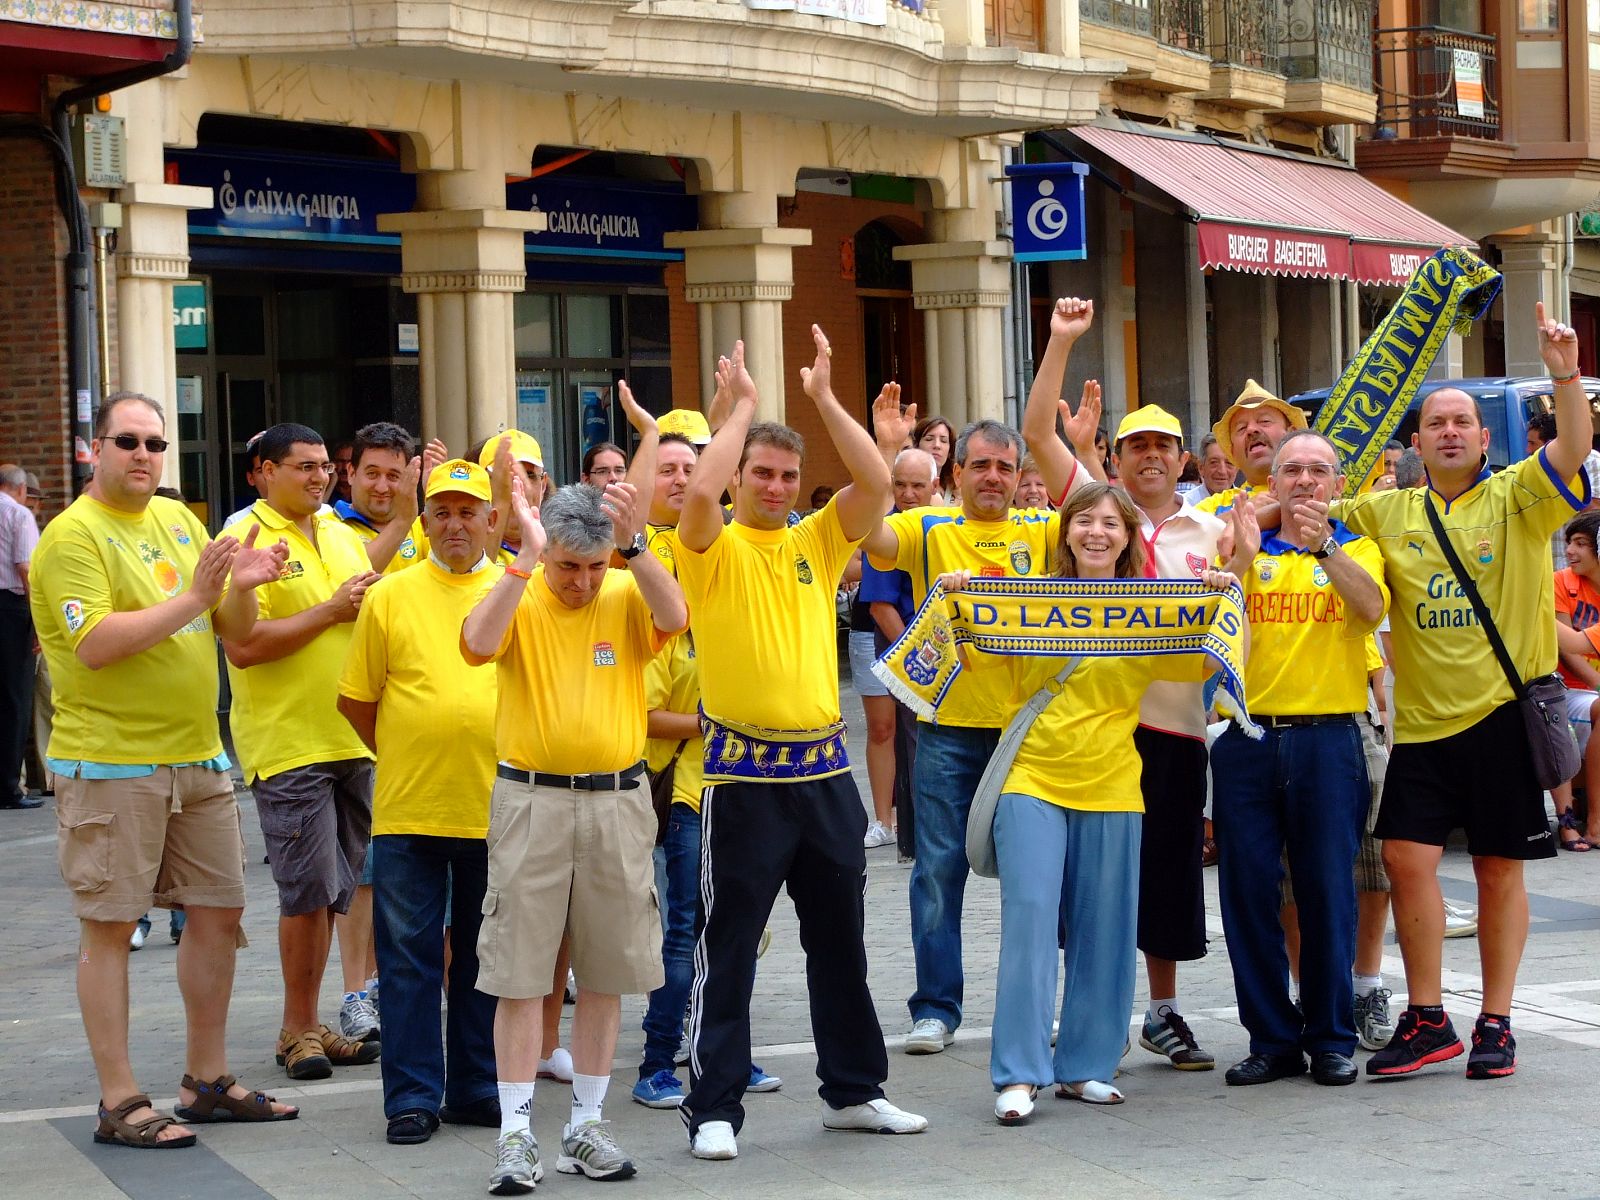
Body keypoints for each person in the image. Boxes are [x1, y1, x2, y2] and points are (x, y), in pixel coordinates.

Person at [676, 332, 926, 1161]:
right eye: (763, 474)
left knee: (841, 946)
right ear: (742, 478)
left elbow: (878, 482)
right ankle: (713, 1107)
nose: (777, 488)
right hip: (741, 778)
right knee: (730, 949)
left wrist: (821, 396)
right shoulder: (707, 549)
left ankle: (854, 1092)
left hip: (825, 772)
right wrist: (742, 409)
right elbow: (697, 494)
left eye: (788, 475)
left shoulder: (819, 539)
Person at [32, 391, 297, 1147]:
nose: (145, 455)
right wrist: (197, 596)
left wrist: (239, 591)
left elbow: (229, 630)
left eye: (155, 444)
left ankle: (206, 1081)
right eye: (128, 442)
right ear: (95, 449)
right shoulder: (71, 537)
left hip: (199, 757)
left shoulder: (180, 521)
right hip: (111, 763)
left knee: (219, 913)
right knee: (110, 927)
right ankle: (120, 1101)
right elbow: (98, 644)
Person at [1336, 303, 1589, 1081]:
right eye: (1436, 422)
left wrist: (1565, 371)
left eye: (1463, 422)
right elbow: (1306, 511)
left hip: (1502, 720)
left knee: (1497, 870)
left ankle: (1498, 1022)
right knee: (1408, 862)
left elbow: (1577, 445)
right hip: (1419, 727)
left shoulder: (1519, 494)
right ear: (1413, 444)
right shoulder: (1384, 509)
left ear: (1486, 439)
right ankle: (1428, 1017)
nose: (1450, 431)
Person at [939, 484, 1236, 1123]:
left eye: (1110, 523)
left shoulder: (1151, 606)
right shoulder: (1023, 601)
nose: (1096, 532)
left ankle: (1086, 1067)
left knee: (1105, 931)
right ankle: (1018, 1073)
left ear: (1129, 538)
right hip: (1032, 779)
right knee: (1030, 920)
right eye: (1083, 521)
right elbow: (979, 666)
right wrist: (961, 598)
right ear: (1065, 533)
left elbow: (1193, 669)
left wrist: (1219, 590)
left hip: (1113, 784)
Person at [462, 469, 687, 1191]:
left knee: (606, 970)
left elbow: (676, 616)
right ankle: (517, 1134)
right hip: (531, 799)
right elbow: (474, 644)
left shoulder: (625, 591)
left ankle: (587, 1123)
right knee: (520, 975)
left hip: (617, 800)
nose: (582, 583)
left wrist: (637, 545)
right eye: (569, 566)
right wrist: (524, 560)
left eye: (594, 567)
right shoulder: (520, 590)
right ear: (546, 551)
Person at [862, 400, 1095, 1057]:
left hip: (1029, 729)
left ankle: (1039, 1009)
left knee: (1041, 878)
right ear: (954, 472)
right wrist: (885, 451)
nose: (993, 476)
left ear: (1021, 474)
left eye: (1005, 466)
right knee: (937, 871)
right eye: (980, 466)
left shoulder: (1044, 530)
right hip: (947, 728)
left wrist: (1072, 445)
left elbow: (1106, 520)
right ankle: (936, 1009)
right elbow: (868, 534)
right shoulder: (927, 528)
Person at [1212, 431, 1388, 1089]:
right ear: (1273, 483)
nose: (1307, 481)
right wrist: (1241, 564)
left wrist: (1324, 548)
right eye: (1293, 471)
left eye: (1319, 470)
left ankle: (1332, 1037)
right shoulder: (1238, 546)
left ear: (1337, 483)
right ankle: (1271, 1038)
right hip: (1247, 737)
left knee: (1328, 893)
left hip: (1327, 737)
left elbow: (1370, 610)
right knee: (1248, 893)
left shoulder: (1357, 547)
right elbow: (1211, 636)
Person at [337, 458, 502, 1145]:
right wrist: (418, 747)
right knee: (407, 962)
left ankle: (474, 1085)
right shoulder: (390, 596)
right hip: (409, 809)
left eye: (469, 512)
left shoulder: (519, 588)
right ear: (425, 520)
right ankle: (411, 1096)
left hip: (497, 808)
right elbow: (357, 701)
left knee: (484, 956)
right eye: (443, 512)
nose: (456, 524)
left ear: (493, 520)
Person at [220, 422, 384, 1081]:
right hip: (290, 743)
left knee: (337, 890)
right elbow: (244, 645)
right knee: (305, 891)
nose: (319, 477)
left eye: (325, 466)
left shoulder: (342, 535)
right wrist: (328, 612)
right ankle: (295, 1030)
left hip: (352, 737)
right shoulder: (244, 535)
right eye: (302, 466)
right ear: (262, 471)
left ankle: (315, 1022)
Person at [633, 431, 781, 1109]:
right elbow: (644, 713)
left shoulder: (732, 601)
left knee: (737, 932)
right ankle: (657, 1062)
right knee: (687, 930)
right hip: (689, 794)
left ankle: (722, 1052)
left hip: (746, 785)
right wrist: (711, 723)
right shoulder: (675, 619)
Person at [1109, 403, 1239, 1073]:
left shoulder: (1213, 532)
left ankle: (1162, 1011)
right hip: (1097, 729)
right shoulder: (1094, 524)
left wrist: (1233, 573)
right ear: (1116, 457)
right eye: (1138, 446)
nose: (1151, 456)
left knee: (1167, 870)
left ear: (1183, 458)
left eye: (1164, 445)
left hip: (1179, 725)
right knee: (1091, 873)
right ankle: (1093, 1010)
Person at [858, 448, 938, 861]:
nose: (908, 494)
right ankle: (920, 838)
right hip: (909, 657)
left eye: (917, 485)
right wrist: (922, 658)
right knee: (915, 744)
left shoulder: (945, 527)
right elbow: (880, 607)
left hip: (943, 656)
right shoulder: (886, 532)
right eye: (900, 485)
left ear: (935, 488)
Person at [1551, 509, 1600, 851]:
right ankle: (1595, 820)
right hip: (1567, 690)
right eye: (1569, 542)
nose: (1570, 551)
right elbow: (1567, 644)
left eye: (1581, 544)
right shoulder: (1561, 582)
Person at [1198, 381, 1308, 518]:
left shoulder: (1320, 492)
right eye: (1241, 428)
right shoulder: (1211, 508)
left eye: (1264, 421)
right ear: (1233, 452)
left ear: (1292, 435)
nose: (1251, 430)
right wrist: (1241, 515)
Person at [0, 464, 40, 810]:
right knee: (15, 699)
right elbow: (25, 568)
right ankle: (9, 787)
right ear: (22, 489)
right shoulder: (19, 514)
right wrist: (39, 621)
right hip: (11, 610)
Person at [1181, 434, 1240, 503]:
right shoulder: (1186, 506)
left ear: (1237, 468)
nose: (1222, 471)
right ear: (1201, 468)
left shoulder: (1249, 503)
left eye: (1229, 463)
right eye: (1214, 462)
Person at [912, 414, 955, 500]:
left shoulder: (959, 487)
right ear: (916, 445)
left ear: (950, 450)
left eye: (944, 441)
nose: (937, 445)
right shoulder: (906, 486)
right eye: (929, 439)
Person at [331, 439, 355, 506]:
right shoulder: (325, 488)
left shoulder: (362, 491)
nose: (345, 468)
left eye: (350, 462)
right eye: (340, 461)